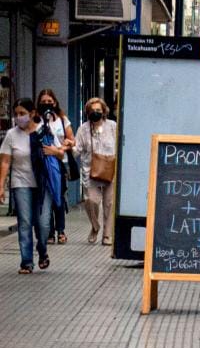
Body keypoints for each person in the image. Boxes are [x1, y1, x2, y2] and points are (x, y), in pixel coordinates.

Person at [0, 98, 66, 272]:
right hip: (21, 182)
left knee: (43, 224)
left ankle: (42, 250)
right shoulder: (11, 135)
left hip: (43, 183)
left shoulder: (44, 131)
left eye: (22, 113)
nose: (18, 117)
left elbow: (61, 154)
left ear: (33, 113)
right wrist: (1, 186)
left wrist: (53, 150)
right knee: (25, 222)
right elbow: (5, 162)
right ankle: (26, 262)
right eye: (16, 114)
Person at [74, 97, 116, 245]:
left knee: (109, 204)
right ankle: (95, 226)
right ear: (87, 112)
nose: (95, 113)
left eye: (98, 110)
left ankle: (107, 235)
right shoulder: (83, 129)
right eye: (92, 110)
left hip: (110, 170)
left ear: (104, 111)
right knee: (91, 200)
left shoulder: (112, 126)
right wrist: (67, 148)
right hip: (90, 171)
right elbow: (76, 149)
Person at [36, 89, 75, 244]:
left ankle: (61, 230)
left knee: (58, 195)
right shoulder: (36, 119)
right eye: (43, 102)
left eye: (49, 101)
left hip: (59, 162)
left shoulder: (62, 119)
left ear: (55, 102)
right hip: (42, 163)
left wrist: (60, 149)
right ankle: (50, 232)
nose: (47, 104)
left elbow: (72, 140)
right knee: (46, 197)